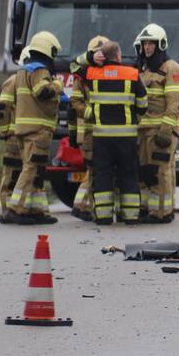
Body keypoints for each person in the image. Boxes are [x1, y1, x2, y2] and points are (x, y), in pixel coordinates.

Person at [81, 40, 147, 225]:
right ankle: (131, 217)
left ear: (103, 57)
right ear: (118, 55)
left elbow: (74, 66)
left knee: (103, 174)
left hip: (101, 136)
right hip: (126, 136)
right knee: (128, 174)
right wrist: (134, 116)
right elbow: (143, 104)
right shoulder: (132, 74)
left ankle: (103, 216)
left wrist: (90, 57)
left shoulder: (92, 73)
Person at [2, 32, 64, 225]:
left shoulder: (23, 71)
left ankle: (36, 209)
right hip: (37, 129)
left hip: (23, 128)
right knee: (31, 168)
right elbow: (42, 91)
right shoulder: (40, 70)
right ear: (47, 49)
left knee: (36, 171)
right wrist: (58, 85)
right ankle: (15, 208)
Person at [134, 24, 179, 223]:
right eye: (145, 43)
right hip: (144, 131)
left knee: (161, 172)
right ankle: (148, 210)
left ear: (160, 45)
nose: (147, 47)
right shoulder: (143, 69)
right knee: (146, 173)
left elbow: (174, 103)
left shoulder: (171, 68)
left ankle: (163, 212)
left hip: (161, 131)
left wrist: (166, 130)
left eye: (151, 44)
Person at [68, 35, 109, 222]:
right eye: (96, 53)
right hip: (90, 131)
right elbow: (75, 102)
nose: (100, 57)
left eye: (103, 53)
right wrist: (91, 113)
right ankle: (81, 205)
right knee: (94, 168)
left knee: (98, 169)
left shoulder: (111, 73)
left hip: (106, 130)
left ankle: (89, 205)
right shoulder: (81, 76)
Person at [0, 50, 30, 212]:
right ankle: (7, 211)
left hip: (28, 137)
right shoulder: (14, 81)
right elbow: (1, 109)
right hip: (15, 137)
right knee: (11, 175)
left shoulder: (32, 81)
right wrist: (6, 132)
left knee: (27, 175)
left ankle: (20, 208)